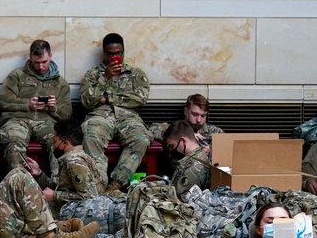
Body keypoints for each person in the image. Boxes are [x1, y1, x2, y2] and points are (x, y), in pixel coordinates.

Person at [79, 33, 151, 190]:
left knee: (141, 138)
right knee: (91, 136)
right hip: (100, 117)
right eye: (111, 54)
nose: (115, 57)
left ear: (123, 51)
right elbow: (86, 101)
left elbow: (140, 99)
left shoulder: (135, 74)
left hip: (128, 118)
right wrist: (105, 77)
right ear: (104, 53)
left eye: (118, 53)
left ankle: (117, 183)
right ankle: (98, 185)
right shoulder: (93, 74)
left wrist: (108, 97)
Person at [0, 40, 72, 176]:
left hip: (47, 123)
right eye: (37, 63)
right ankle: (20, 185)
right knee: (13, 142)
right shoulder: (17, 76)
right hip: (18, 120)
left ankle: (57, 186)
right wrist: (27, 104)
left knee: (58, 144)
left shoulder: (60, 83)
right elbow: (2, 101)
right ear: (30, 57)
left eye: (44, 62)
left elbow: (67, 113)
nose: (41, 67)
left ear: (50, 56)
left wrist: (53, 108)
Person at [44, 119, 105, 212]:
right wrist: (39, 174)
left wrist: (55, 196)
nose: (53, 145)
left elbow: (89, 197)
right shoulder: (71, 158)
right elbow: (64, 187)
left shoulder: (74, 162)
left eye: (55, 141)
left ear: (64, 142)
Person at [162, 120, 213, 198]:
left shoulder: (193, 169)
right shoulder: (196, 157)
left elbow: (178, 199)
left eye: (172, 146)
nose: (171, 150)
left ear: (183, 141)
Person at [149, 94, 224, 146]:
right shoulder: (175, 128)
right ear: (185, 111)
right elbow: (151, 130)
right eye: (195, 114)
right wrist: (185, 134)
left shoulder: (216, 132)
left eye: (203, 116)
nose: (199, 120)